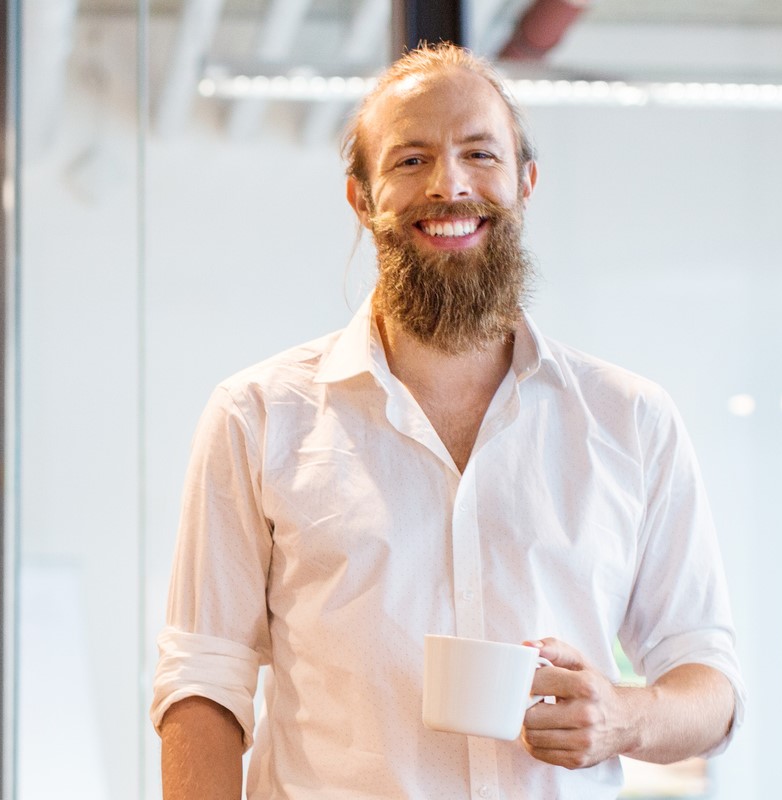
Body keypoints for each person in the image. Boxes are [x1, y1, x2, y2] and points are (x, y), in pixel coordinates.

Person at [152, 43, 745, 799]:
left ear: (525, 183)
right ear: (361, 201)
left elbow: (710, 681)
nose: (450, 185)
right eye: (410, 161)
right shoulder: (259, 416)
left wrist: (624, 716)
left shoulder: (631, 420)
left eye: (479, 154)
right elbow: (204, 677)